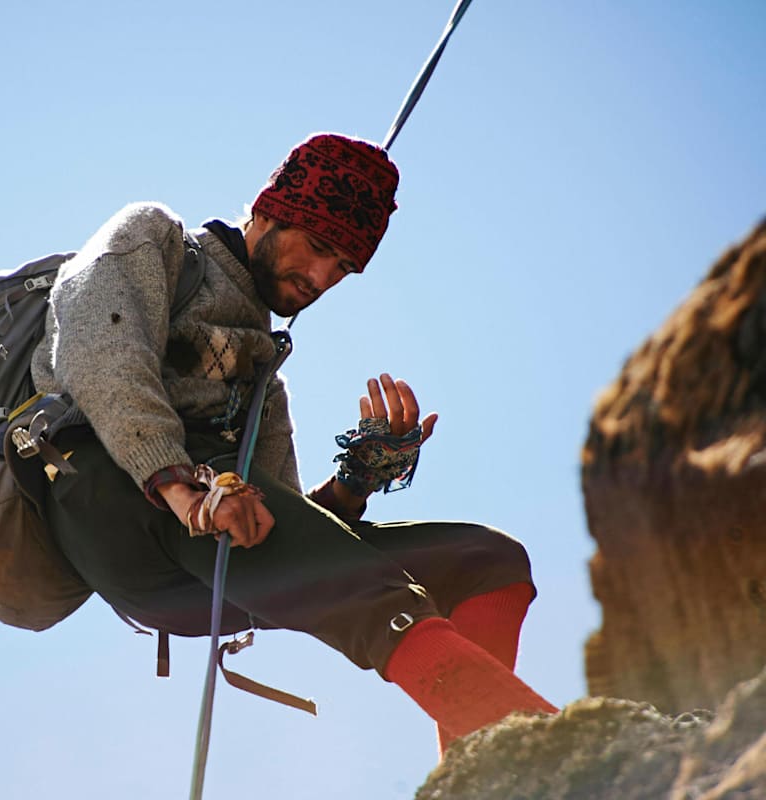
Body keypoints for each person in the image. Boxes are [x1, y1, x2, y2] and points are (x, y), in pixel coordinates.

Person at [29, 132, 557, 754]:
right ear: (267, 211)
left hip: (207, 556)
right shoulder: (159, 241)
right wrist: (185, 489)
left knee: (486, 560)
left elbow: (296, 536)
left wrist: (361, 475)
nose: (321, 278)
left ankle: (489, 777)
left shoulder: (261, 375)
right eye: (318, 247)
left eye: (342, 268)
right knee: (372, 596)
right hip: (114, 498)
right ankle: (555, 757)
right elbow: (100, 356)